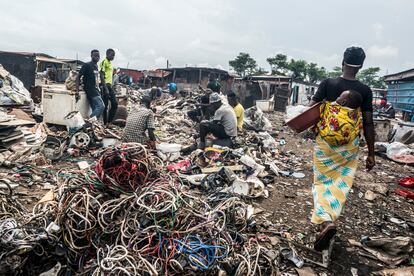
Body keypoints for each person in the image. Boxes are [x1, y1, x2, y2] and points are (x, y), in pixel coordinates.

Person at [309, 46, 376, 251]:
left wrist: (310, 127)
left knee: (321, 182)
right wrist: (371, 153)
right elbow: (368, 122)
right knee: (341, 182)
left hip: (325, 144)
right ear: (361, 66)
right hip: (348, 147)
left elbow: (311, 111)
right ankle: (331, 215)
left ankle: (326, 221)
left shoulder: (328, 83)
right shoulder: (364, 90)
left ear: (343, 62)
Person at [76, 50, 104, 120]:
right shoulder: (87, 65)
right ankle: (90, 121)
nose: (97, 57)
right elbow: (78, 76)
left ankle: (93, 124)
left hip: (96, 90)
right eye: (95, 56)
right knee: (101, 106)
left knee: (95, 109)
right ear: (91, 56)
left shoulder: (96, 66)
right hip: (91, 90)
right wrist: (77, 90)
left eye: (98, 56)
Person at [100, 48, 118, 125]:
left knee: (115, 103)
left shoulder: (110, 63)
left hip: (109, 86)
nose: (113, 57)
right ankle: (105, 123)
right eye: (112, 55)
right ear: (107, 54)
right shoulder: (104, 62)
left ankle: (109, 122)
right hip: (105, 85)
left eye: (114, 55)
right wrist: (106, 88)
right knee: (105, 105)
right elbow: (101, 75)